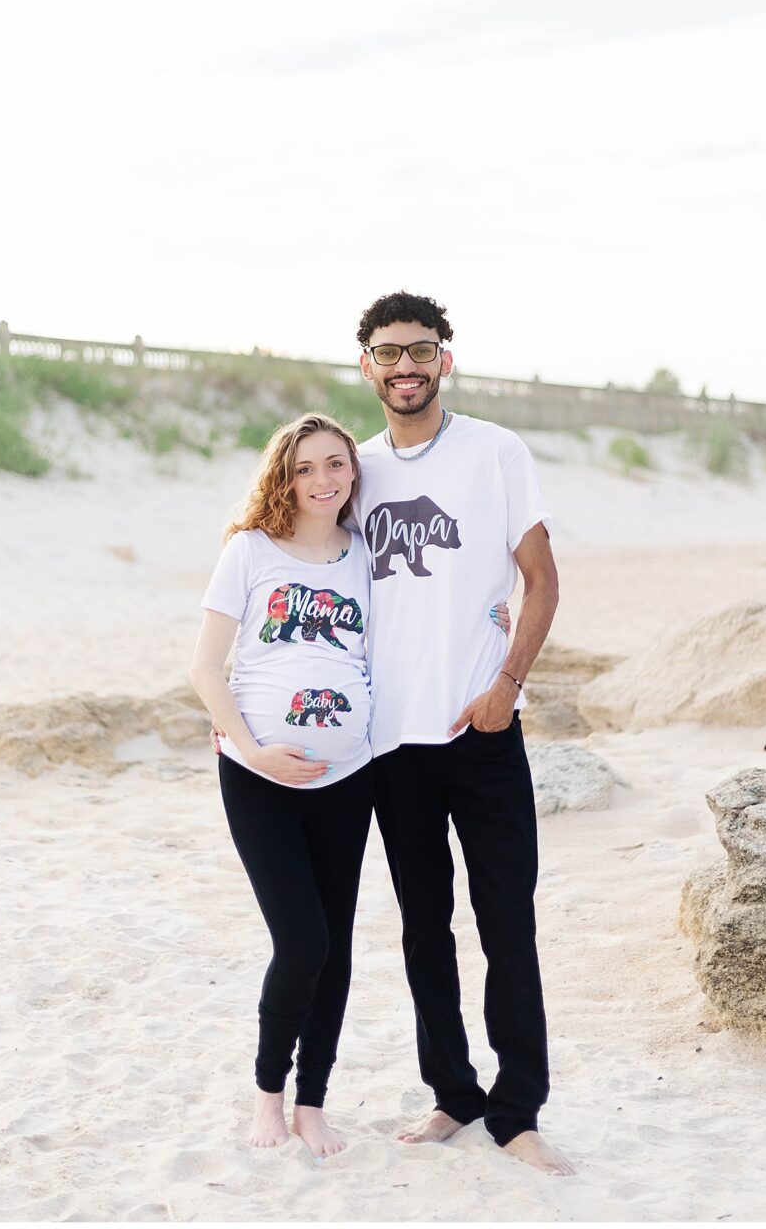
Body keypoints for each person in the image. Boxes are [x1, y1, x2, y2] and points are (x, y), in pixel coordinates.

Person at [189, 412, 509, 1159]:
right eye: (305, 467)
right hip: (259, 778)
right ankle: (268, 1098)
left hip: (349, 777)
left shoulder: (365, 554)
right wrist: (252, 749)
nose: (323, 479)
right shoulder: (249, 550)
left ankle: (312, 1105)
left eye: (336, 464)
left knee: (332, 949)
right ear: (283, 477)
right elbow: (204, 668)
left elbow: (429, 606)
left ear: (353, 474)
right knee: (300, 941)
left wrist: (495, 614)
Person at [354, 291, 575, 1177]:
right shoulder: (354, 469)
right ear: (366, 365)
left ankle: (517, 1111)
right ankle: (452, 1092)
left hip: (482, 730)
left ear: (445, 357)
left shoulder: (494, 452)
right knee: (423, 928)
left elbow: (541, 580)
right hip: (390, 741)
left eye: (420, 350)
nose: (404, 366)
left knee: (506, 922)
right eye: (388, 352)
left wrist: (505, 687)